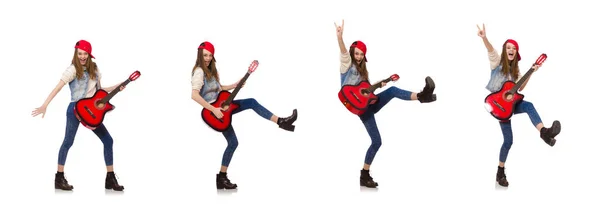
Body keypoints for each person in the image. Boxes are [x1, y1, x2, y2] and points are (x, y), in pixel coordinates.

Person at [334, 20, 437, 188]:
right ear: (353, 53)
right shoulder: (347, 65)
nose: (358, 56)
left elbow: (366, 93)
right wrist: (339, 37)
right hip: (362, 111)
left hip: (367, 104)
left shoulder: (364, 74)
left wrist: (379, 85)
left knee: (392, 91)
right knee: (377, 142)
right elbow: (344, 53)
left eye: (361, 54)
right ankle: (364, 174)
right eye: (357, 53)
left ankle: (422, 96)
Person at [191, 41, 298, 189]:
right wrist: (213, 110)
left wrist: (234, 85)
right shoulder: (199, 72)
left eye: (210, 55)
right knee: (233, 142)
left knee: (251, 103)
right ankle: (221, 178)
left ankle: (281, 121)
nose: (208, 58)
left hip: (222, 106)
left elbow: (218, 89)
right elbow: (194, 95)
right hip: (214, 113)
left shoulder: (211, 70)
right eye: (205, 55)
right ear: (199, 55)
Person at [31, 40, 126, 191]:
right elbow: (58, 88)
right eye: (80, 53)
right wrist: (45, 105)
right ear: (76, 54)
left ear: (89, 55)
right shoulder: (72, 70)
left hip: (91, 112)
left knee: (108, 140)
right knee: (68, 142)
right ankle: (59, 177)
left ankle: (110, 178)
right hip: (75, 109)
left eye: (85, 54)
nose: (82, 56)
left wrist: (117, 87)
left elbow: (100, 92)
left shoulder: (95, 69)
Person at [476, 24, 561, 187]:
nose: (511, 49)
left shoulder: (516, 72)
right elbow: (490, 49)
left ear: (516, 53)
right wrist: (484, 37)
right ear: (504, 50)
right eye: (508, 47)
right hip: (498, 105)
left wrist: (532, 71)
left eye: (514, 48)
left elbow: (520, 88)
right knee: (508, 141)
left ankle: (544, 132)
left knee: (528, 105)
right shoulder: (497, 62)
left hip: (510, 106)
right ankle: (500, 172)